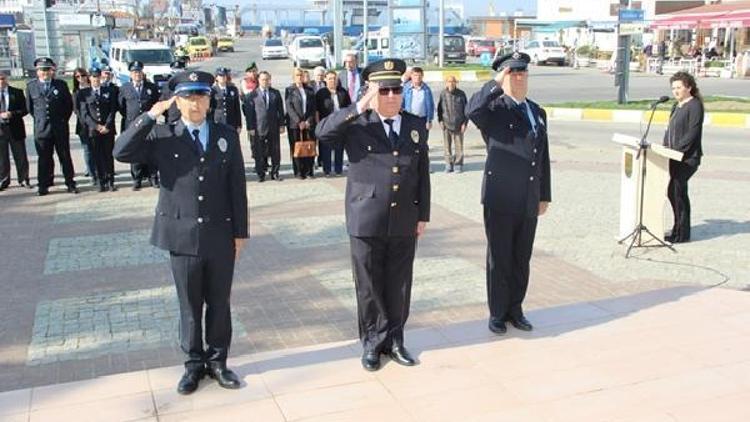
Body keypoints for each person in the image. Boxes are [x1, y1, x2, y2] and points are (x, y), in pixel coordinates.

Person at [113, 70, 248, 395]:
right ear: (177, 100)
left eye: (201, 95)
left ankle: (218, 362)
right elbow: (121, 152)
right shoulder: (163, 136)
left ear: (209, 99)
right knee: (189, 305)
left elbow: (237, 187)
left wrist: (240, 233)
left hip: (219, 234)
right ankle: (193, 365)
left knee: (219, 303)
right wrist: (149, 115)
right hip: (181, 236)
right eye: (188, 96)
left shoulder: (225, 134)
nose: (195, 103)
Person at [315, 58, 431, 372]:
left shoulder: (415, 125)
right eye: (384, 90)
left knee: (399, 284)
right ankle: (372, 343)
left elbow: (422, 174)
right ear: (372, 92)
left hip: (404, 218)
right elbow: (322, 133)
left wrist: (424, 215)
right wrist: (358, 107)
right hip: (365, 218)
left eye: (396, 89)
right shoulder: (357, 124)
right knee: (368, 286)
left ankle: (395, 340)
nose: (392, 96)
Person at [466, 52, 551, 335]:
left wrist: (544, 194)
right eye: (513, 73)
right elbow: (471, 110)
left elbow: (543, 157)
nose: (519, 78)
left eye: (523, 72)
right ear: (503, 76)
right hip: (500, 196)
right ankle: (498, 313)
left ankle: (516, 308)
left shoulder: (537, 112)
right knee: (499, 257)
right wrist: (495, 83)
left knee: (521, 258)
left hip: (528, 195)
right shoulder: (494, 110)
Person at [26, 57, 77, 196]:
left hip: (59, 127)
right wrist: (41, 121)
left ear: (52, 70)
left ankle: (70, 182)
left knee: (65, 156)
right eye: (42, 70)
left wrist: (61, 121)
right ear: (37, 72)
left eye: (48, 69)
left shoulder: (60, 85)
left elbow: (68, 106)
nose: (45, 73)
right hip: (42, 129)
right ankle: (43, 185)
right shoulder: (31, 86)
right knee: (44, 158)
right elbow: (31, 108)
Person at [663, 71, 703, 244]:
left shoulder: (694, 105)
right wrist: (664, 148)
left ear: (689, 87)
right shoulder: (676, 106)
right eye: (673, 88)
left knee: (677, 191)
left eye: (679, 87)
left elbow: (693, 133)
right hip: (672, 156)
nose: (675, 91)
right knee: (673, 191)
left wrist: (678, 150)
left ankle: (682, 233)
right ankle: (677, 228)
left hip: (687, 158)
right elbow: (670, 131)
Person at [118, 60, 160, 190]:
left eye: (139, 72)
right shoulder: (125, 88)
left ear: (143, 73)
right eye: (135, 72)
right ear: (130, 74)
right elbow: (121, 107)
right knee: (135, 152)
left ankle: (153, 178)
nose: (137, 74)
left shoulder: (151, 87)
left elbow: (155, 104)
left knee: (151, 151)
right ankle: (137, 179)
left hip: (149, 125)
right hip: (133, 125)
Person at [78, 68, 118, 192]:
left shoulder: (109, 91)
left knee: (108, 156)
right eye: (93, 77)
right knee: (97, 156)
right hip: (93, 130)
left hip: (107, 129)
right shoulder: (84, 93)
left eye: (98, 77)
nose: (96, 80)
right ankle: (101, 181)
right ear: (89, 78)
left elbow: (112, 110)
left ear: (101, 78)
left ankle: (110, 180)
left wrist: (107, 125)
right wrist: (96, 126)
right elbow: (84, 114)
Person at [244, 70, 285, 182]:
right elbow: (249, 114)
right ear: (258, 80)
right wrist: (250, 128)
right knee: (259, 152)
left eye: (267, 79)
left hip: (273, 127)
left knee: (275, 151)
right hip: (258, 128)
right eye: (263, 79)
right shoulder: (252, 95)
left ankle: (275, 173)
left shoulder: (275, 93)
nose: (265, 82)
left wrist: (282, 124)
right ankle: (261, 174)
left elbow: (280, 110)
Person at [315, 70, 351, 176]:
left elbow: (348, 108)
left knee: (339, 148)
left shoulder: (343, 91)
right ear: (325, 79)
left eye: (334, 78)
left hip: (340, 124)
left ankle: (338, 169)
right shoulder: (321, 93)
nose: (332, 80)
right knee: (326, 148)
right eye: (330, 78)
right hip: (326, 124)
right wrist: (318, 125)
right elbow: (317, 110)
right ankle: (327, 170)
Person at [0, 71, 31, 191]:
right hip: (1, 130)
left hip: (15, 128)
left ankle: (23, 179)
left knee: (20, 156)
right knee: (2, 157)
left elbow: (25, 109)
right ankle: (3, 179)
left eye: (3, 78)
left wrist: (12, 114)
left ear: (7, 79)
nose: (1, 81)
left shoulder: (16, 92)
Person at [286, 67, 316, 179]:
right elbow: (289, 107)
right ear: (293, 77)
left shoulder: (309, 90)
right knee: (296, 148)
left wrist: (308, 121)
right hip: (295, 125)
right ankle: (299, 171)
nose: (300, 77)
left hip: (308, 124)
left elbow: (313, 108)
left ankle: (309, 170)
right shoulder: (290, 90)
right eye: (297, 75)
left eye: (301, 75)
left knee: (309, 146)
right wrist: (299, 121)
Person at [436, 75, 468, 173]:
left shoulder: (461, 94)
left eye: (453, 81)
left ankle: (458, 164)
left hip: (459, 124)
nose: (451, 83)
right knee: (447, 146)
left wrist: (465, 123)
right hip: (446, 124)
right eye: (449, 81)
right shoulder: (443, 94)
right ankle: (448, 164)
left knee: (459, 146)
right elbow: (439, 109)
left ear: (456, 83)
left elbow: (467, 110)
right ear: (446, 83)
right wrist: (440, 121)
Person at [73, 68, 97, 185]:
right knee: (88, 151)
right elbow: (76, 110)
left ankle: (101, 172)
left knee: (98, 151)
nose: (81, 78)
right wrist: (87, 121)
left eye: (82, 75)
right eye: (77, 77)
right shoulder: (76, 92)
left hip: (96, 124)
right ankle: (92, 174)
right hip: (83, 126)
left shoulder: (93, 88)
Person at [402, 67, 435, 141]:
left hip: (422, 120)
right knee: (409, 141)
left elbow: (430, 105)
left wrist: (429, 120)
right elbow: (401, 103)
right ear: (411, 76)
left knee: (423, 141)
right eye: (415, 75)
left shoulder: (426, 89)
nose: (417, 77)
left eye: (419, 75)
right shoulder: (406, 88)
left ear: (422, 76)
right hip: (409, 119)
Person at [210, 67, 242, 133]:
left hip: (231, 123)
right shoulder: (212, 91)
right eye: (220, 75)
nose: (223, 77)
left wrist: (239, 125)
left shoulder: (233, 89)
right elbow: (210, 109)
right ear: (216, 78)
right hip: (218, 123)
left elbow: (237, 108)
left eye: (224, 75)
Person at [160, 60, 188, 125]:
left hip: (187, 118)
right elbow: (163, 102)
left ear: (183, 70)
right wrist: (169, 115)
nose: (177, 72)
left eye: (179, 70)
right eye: (175, 70)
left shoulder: (188, 84)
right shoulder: (167, 85)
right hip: (172, 119)